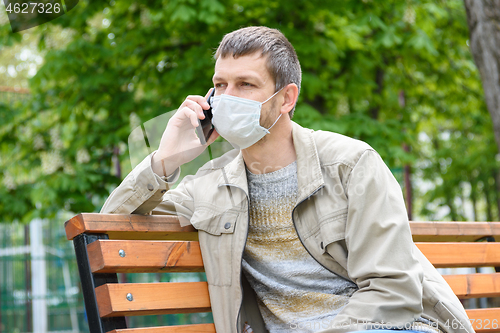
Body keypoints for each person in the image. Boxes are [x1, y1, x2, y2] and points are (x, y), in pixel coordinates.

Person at [101, 26, 473, 333]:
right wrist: (166, 160)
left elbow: (392, 290)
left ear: (286, 99)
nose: (227, 98)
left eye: (245, 85)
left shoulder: (351, 164)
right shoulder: (210, 185)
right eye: (220, 85)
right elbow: (112, 229)